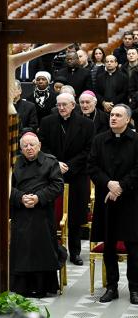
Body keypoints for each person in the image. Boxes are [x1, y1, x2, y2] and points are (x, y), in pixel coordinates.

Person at [88, 104, 138, 304]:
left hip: (131, 201)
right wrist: (109, 183)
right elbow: (92, 166)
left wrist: (121, 187)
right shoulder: (99, 140)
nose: (113, 118)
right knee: (109, 246)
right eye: (112, 115)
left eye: (118, 115)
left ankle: (135, 288)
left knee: (134, 247)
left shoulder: (136, 140)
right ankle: (111, 287)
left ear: (127, 119)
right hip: (106, 201)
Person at [38, 93, 94, 266]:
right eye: (58, 104)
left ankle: (75, 252)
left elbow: (88, 150)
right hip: (52, 175)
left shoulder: (86, 124)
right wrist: (56, 164)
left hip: (77, 175)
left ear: (73, 105)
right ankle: (54, 250)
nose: (61, 108)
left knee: (76, 217)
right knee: (52, 214)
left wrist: (68, 166)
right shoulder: (47, 122)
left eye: (65, 104)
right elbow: (43, 146)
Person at [10, 132, 64, 297]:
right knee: (23, 247)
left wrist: (38, 197)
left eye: (32, 145)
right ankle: (22, 286)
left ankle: (42, 286)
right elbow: (5, 187)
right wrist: (20, 197)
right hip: (21, 212)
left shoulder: (50, 161)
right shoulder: (14, 163)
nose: (29, 148)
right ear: (21, 149)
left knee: (42, 247)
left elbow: (57, 186)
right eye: (25, 146)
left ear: (39, 145)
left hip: (42, 213)